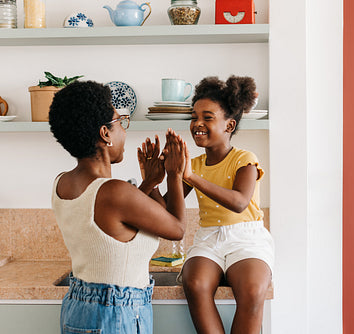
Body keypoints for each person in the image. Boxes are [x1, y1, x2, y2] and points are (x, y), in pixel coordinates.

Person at [49, 80, 186, 334]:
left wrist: (150, 184)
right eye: (120, 122)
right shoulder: (114, 191)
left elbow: (114, 225)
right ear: (105, 134)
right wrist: (175, 174)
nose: (124, 130)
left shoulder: (62, 183)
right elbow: (177, 228)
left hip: (77, 309)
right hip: (116, 314)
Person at [141, 75, 274, 334]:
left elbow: (239, 202)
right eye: (194, 117)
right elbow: (168, 212)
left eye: (207, 117)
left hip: (247, 238)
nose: (197, 124)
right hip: (208, 239)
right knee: (195, 283)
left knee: (252, 289)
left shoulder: (245, 159)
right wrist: (157, 179)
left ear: (229, 125)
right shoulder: (197, 165)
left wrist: (188, 175)